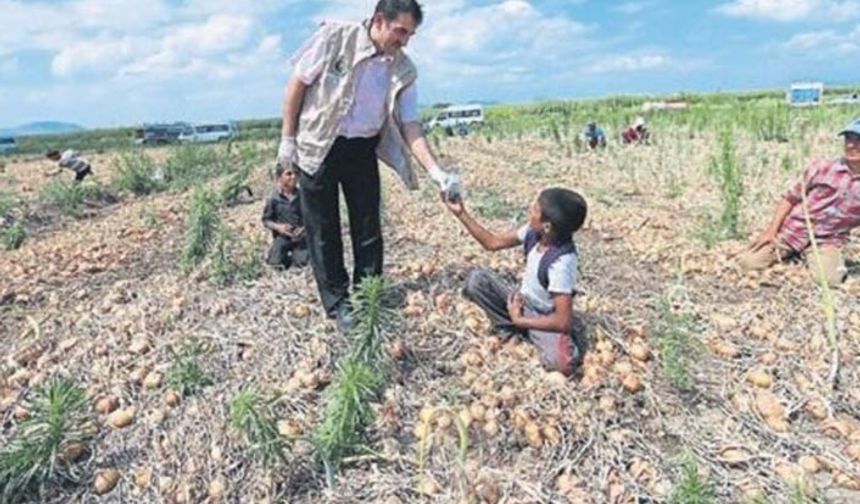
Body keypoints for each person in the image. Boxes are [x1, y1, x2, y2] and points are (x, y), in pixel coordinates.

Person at [278, 0, 459, 331]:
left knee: (367, 227)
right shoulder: (335, 38)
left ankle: (367, 295)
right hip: (319, 145)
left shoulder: (403, 69)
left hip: (361, 148)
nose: (404, 40)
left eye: (410, 34)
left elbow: (411, 125)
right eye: (399, 30)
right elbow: (296, 86)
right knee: (323, 229)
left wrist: (437, 172)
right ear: (378, 20)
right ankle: (337, 303)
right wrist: (287, 140)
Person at [444, 187, 587, 377]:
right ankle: (512, 328)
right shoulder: (534, 233)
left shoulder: (561, 263)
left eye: (535, 209)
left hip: (543, 315)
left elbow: (563, 320)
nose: (530, 209)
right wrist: (461, 214)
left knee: (562, 363)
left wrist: (521, 319)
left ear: (547, 226)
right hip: (522, 300)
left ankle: (519, 326)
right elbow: (492, 243)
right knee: (477, 280)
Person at [738, 118, 860, 285]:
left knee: (829, 280)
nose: (851, 146)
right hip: (795, 230)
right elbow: (790, 198)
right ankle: (792, 251)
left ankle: (810, 254)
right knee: (747, 263)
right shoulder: (822, 168)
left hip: (828, 239)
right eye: (848, 139)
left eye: (858, 140)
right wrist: (771, 231)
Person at [262, 163, 308, 270]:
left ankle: (297, 257)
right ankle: (284, 257)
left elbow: (311, 217)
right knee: (275, 264)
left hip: (301, 237)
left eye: (296, 173)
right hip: (283, 237)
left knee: (302, 263)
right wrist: (279, 227)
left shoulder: (303, 197)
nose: (294, 177)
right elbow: (266, 220)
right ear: (279, 177)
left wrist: (304, 229)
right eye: (288, 174)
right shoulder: (274, 199)